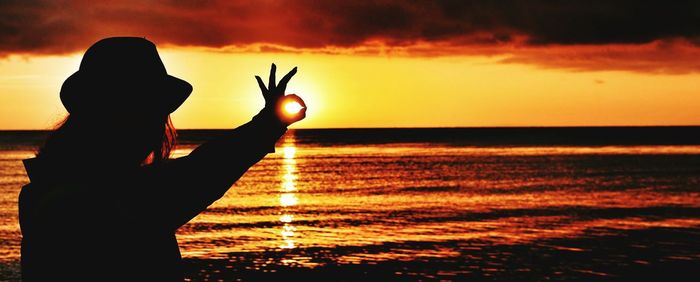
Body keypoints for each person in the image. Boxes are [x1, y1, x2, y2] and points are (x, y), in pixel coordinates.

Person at [18, 37, 306, 281]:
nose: (156, 124)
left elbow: (195, 172)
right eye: (146, 109)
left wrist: (267, 124)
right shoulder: (105, 199)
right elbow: (202, 172)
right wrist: (268, 124)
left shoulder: (50, 190)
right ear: (113, 113)